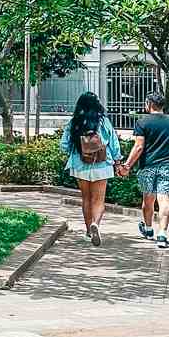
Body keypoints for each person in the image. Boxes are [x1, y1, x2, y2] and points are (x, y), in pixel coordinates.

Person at [119, 92, 169, 248]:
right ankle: (162, 235)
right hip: (167, 166)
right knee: (164, 201)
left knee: (148, 200)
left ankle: (148, 230)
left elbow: (139, 146)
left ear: (149, 104)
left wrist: (127, 165)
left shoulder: (142, 122)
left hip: (147, 166)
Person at [60, 91, 122, 245]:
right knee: (98, 200)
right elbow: (114, 144)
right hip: (102, 164)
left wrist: (76, 150)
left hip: (80, 164)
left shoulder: (74, 122)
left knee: (86, 198)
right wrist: (118, 161)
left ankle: (88, 231)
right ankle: (96, 224)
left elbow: (64, 145)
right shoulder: (104, 121)